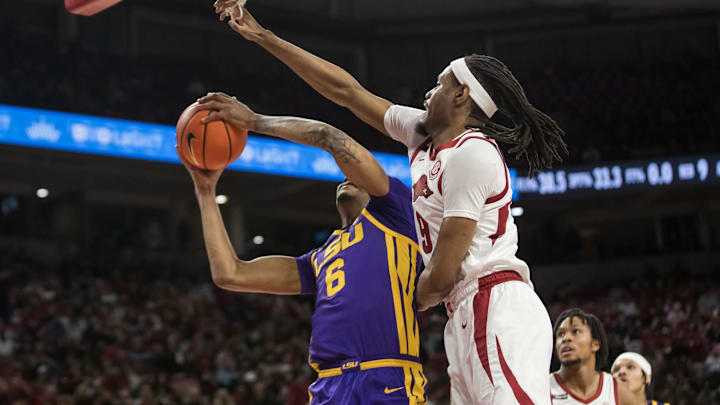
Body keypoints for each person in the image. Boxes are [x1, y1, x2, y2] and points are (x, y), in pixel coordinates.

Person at [212, 4, 568, 404]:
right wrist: (264, 37)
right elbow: (345, 92)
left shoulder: (473, 153)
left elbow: (443, 273)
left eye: (440, 84)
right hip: (462, 315)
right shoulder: (422, 136)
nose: (428, 93)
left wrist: (385, 299)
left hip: (496, 304)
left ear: (462, 95)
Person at [182, 92, 427, 404]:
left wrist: (255, 121)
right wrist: (205, 192)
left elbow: (330, 138)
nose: (346, 176)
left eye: (354, 174)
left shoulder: (395, 214)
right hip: (328, 385)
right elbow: (230, 274)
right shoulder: (318, 259)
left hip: (385, 375)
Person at [550, 308, 634, 405]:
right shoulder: (543, 389)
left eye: (575, 331)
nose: (565, 338)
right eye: (561, 334)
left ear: (595, 344)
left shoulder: (618, 391)